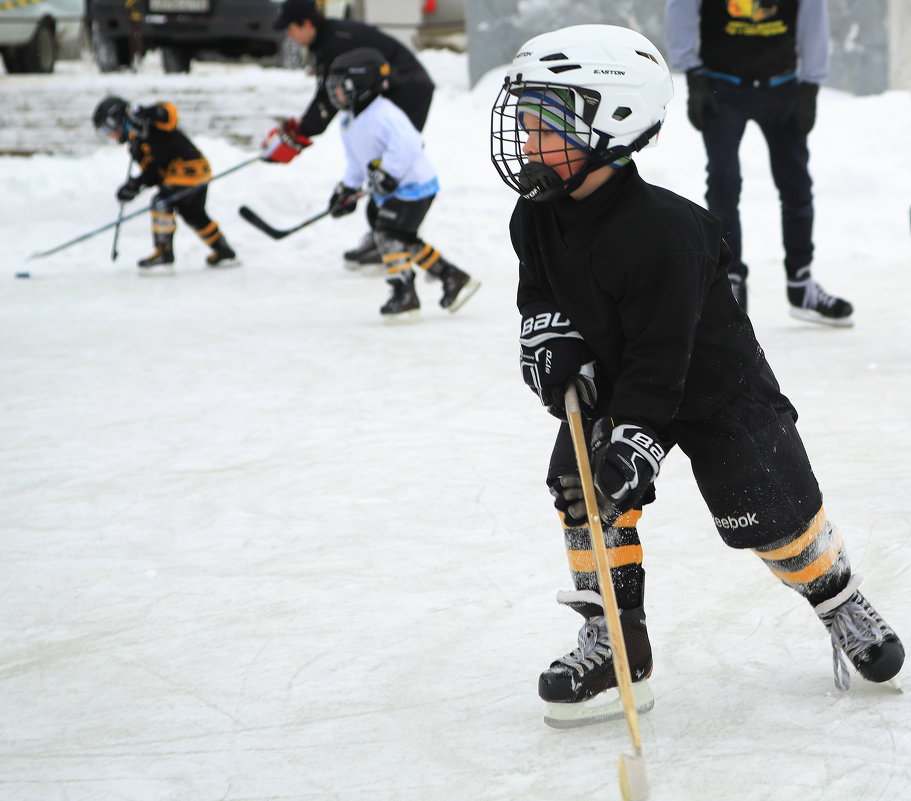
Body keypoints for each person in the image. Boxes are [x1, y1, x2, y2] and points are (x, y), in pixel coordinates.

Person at [489, 24, 903, 728]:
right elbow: (543, 292)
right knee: (582, 492)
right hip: (623, 380)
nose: (526, 142)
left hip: (715, 388)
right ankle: (616, 641)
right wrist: (551, 338)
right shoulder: (536, 214)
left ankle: (837, 599)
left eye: (542, 125)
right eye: (524, 123)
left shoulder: (666, 234)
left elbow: (664, 358)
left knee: (770, 519)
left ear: (610, 120)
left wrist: (635, 445)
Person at [665, 0, 853, 325]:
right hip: (722, 85)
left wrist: (809, 87)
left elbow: (813, 17)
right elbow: (680, 9)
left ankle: (801, 283)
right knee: (724, 181)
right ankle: (730, 282)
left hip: (782, 88)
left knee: (795, 184)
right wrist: (694, 78)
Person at [263, 0, 435, 270]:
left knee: (392, 162)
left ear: (306, 24)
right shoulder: (327, 39)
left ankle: (391, 233)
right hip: (396, 89)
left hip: (408, 89)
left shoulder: (334, 42)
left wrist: (302, 132)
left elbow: (329, 98)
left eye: (290, 28)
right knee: (376, 159)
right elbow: (329, 94)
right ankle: (385, 233)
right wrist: (301, 130)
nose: (289, 35)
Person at [323, 47, 479, 321]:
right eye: (333, 88)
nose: (335, 94)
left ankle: (403, 291)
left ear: (362, 85)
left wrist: (389, 173)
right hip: (394, 190)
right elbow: (356, 160)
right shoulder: (349, 120)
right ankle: (452, 276)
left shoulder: (384, 114)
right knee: (402, 238)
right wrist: (347, 189)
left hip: (414, 187)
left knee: (387, 234)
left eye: (342, 87)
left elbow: (410, 144)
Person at [92, 96, 236, 273]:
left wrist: (145, 112)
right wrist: (134, 185)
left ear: (118, 120)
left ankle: (163, 251)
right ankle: (223, 250)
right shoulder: (135, 146)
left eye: (108, 129)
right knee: (194, 215)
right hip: (187, 175)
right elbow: (153, 171)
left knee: (162, 202)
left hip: (190, 169)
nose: (110, 135)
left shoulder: (147, 122)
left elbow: (169, 114)